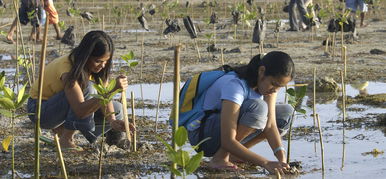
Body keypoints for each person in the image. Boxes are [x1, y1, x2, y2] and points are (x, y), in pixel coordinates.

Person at [188, 51, 295, 174]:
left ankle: (234, 154)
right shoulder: (235, 85)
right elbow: (227, 140)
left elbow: (270, 125)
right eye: (274, 84)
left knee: (286, 113)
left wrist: (282, 159)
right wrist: (265, 163)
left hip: (224, 136)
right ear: (261, 71)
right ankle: (220, 158)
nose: (275, 90)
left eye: (280, 87)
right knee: (258, 108)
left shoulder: (268, 88)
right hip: (203, 137)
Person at [27, 31, 131, 150]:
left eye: (106, 61)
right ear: (86, 56)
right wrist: (113, 89)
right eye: (98, 61)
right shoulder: (67, 67)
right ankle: (66, 140)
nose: (102, 66)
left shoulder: (99, 69)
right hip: (40, 110)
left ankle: (65, 130)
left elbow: (104, 98)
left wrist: (112, 121)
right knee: (88, 87)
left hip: (62, 106)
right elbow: (80, 110)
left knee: (116, 109)